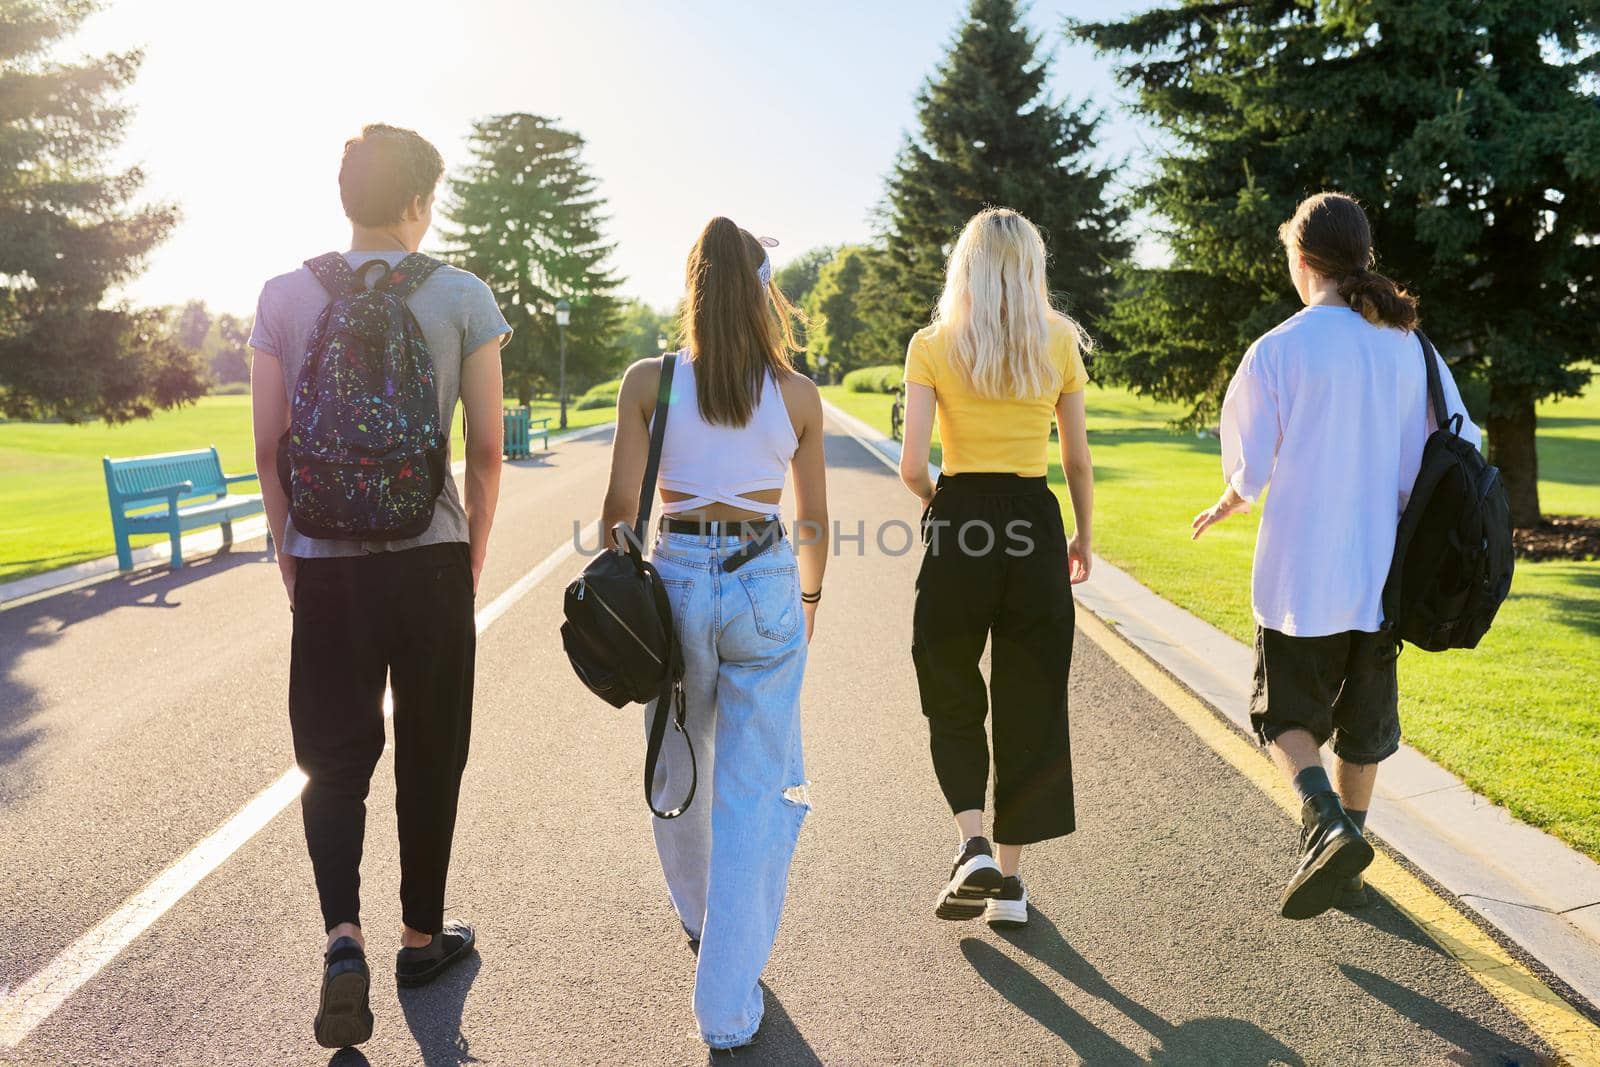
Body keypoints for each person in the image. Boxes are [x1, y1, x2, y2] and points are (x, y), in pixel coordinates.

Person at [249, 123, 510, 1048]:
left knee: (332, 754)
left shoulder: (284, 296)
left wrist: (292, 555)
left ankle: (343, 939)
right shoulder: (462, 296)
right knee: (432, 746)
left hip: (323, 561)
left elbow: (268, 447)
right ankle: (420, 933)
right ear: (414, 204)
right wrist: (471, 551)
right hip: (429, 556)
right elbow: (484, 449)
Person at [1192, 191, 1481, 920]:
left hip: (1301, 575)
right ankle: (1348, 858)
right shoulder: (1413, 346)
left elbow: (1250, 472)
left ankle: (1325, 824)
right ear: (1360, 258)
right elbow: (1459, 444)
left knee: (1282, 714)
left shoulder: (1280, 348)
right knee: (1364, 727)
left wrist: (1227, 501)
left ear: (1300, 257)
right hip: (1387, 576)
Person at [599, 218, 828, 1050]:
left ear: (692, 286)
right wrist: (805, 604)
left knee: (676, 765)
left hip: (679, 578)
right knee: (756, 788)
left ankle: (704, 925)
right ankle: (726, 996)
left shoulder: (648, 382)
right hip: (766, 578)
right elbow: (816, 527)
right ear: (765, 294)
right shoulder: (796, 395)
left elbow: (618, 521)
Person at [899, 207, 1095, 929]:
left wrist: (940, 504)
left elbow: (913, 466)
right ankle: (1009, 883)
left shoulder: (932, 344)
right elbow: (1075, 456)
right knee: (1030, 693)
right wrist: (1082, 534)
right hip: (1035, 524)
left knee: (946, 675)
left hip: (961, 518)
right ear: (1031, 267)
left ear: (966, 266)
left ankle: (971, 842)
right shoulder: (1059, 341)